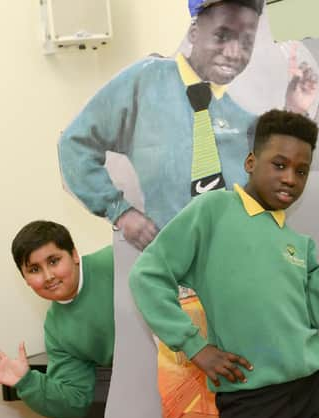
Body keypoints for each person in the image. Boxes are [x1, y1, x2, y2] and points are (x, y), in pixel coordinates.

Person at [130, 109, 319, 418]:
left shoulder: (297, 242)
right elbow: (147, 276)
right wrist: (195, 348)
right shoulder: (213, 210)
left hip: (310, 391)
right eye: (279, 165)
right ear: (251, 163)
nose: (290, 178)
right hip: (251, 400)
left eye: (302, 171)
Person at [58, 0, 265, 251]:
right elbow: (74, 144)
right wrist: (119, 211)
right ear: (194, 32)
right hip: (168, 264)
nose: (234, 52)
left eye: (246, 42)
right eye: (222, 35)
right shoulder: (146, 82)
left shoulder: (244, 116)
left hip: (230, 258)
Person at [0, 220, 114, 418]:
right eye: (34, 270)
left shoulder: (115, 261)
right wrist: (27, 382)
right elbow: (75, 401)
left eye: (53, 261)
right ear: (25, 279)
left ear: (74, 254)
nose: (48, 276)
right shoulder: (56, 329)